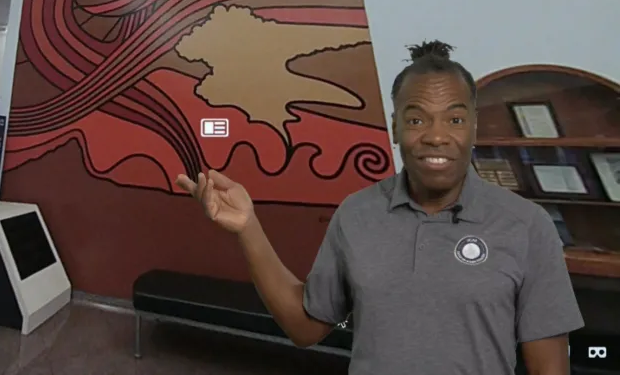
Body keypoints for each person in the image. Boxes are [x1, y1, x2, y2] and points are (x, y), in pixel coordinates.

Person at [176, 41, 583, 375]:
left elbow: (549, 367)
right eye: (418, 120)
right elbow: (305, 328)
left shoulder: (527, 226)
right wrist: (249, 229)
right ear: (395, 127)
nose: (437, 137)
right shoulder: (357, 214)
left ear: (474, 126)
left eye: (455, 120)